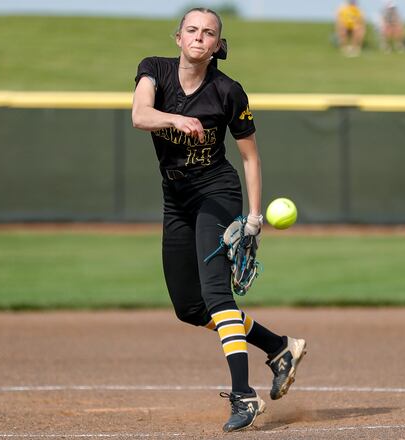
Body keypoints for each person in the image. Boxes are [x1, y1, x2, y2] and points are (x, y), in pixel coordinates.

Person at [131, 7, 307, 433]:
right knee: (189, 307)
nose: (198, 37)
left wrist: (253, 217)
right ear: (178, 38)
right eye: (191, 29)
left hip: (217, 193)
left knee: (216, 295)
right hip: (176, 197)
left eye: (208, 33)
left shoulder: (228, 91)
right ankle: (279, 347)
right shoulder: (154, 71)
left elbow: (250, 157)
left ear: (216, 46)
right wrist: (176, 119)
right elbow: (140, 115)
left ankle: (245, 396)